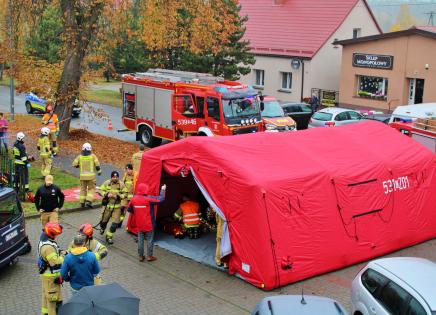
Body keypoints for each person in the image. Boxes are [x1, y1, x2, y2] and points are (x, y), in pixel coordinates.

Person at [128, 183, 166, 262]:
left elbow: (130, 210)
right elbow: (161, 199)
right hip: (149, 224)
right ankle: (149, 256)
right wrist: (163, 189)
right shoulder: (149, 199)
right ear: (145, 190)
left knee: (140, 239)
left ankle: (141, 256)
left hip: (139, 224)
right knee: (150, 240)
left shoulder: (133, 199)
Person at [38, 222, 65, 315]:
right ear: (51, 234)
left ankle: (45, 313)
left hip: (46, 276)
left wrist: (60, 251)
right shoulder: (48, 248)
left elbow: (54, 250)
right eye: (56, 234)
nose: (57, 236)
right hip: (51, 278)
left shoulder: (44, 238)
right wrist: (63, 256)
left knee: (46, 297)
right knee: (53, 301)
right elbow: (56, 264)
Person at [98, 171, 127, 244]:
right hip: (107, 207)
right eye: (113, 177)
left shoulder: (121, 184)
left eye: (116, 177)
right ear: (111, 177)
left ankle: (109, 237)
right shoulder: (107, 183)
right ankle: (102, 228)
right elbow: (100, 190)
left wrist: (118, 196)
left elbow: (125, 193)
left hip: (117, 208)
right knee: (103, 222)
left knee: (115, 224)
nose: (115, 178)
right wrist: (106, 194)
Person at [72, 143, 101, 208]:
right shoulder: (93, 156)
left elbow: (74, 164)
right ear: (90, 149)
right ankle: (89, 201)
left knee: (83, 189)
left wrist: (78, 165)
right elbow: (97, 165)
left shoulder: (79, 157)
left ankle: (82, 202)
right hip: (91, 177)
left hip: (82, 177)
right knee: (91, 189)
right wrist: (99, 172)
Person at [119, 163, 134, 228]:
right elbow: (122, 184)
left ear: (131, 169)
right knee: (122, 209)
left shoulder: (135, 176)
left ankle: (131, 225)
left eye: (128, 169)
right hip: (125, 196)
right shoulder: (125, 175)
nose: (127, 171)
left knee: (132, 212)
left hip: (132, 198)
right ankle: (119, 223)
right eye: (126, 169)